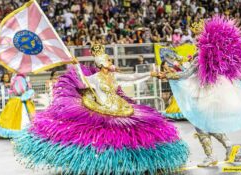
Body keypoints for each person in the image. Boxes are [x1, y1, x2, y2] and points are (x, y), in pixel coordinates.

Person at [13, 44, 189, 174]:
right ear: (102, 63)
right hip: (102, 111)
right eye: (109, 60)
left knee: (129, 137)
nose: (111, 63)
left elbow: (132, 77)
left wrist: (150, 74)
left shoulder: (114, 76)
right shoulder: (96, 78)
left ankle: (129, 164)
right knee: (103, 140)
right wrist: (75, 65)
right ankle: (100, 165)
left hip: (120, 110)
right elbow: (82, 83)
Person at [159, 16, 241, 167]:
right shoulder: (211, 53)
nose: (197, 40)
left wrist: (167, 75)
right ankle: (228, 147)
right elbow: (193, 71)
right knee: (208, 123)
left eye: (198, 37)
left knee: (201, 124)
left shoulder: (201, 55)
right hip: (211, 93)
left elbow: (186, 74)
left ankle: (211, 156)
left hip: (202, 94)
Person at [0, 74, 35, 138]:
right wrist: (28, 92)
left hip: (16, 100)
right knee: (22, 118)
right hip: (21, 101)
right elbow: (20, 90)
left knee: (11, 118)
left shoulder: (16, 78)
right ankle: (25, 132)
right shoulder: (20, 78)